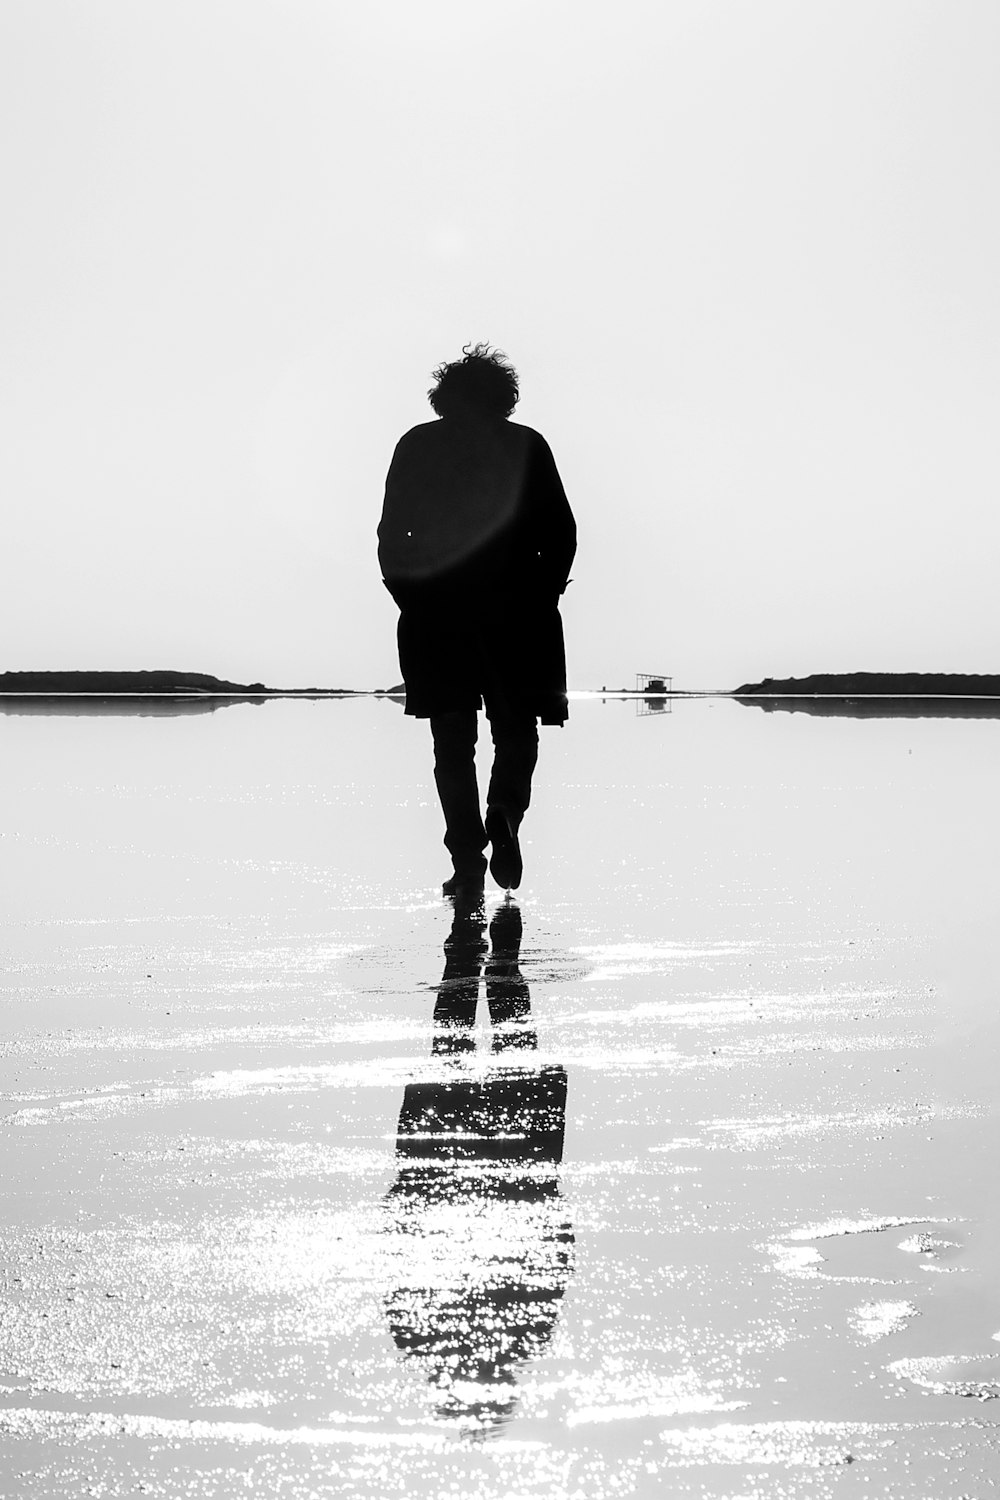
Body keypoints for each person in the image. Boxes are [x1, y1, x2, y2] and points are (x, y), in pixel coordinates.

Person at [378, 344, 576, 896]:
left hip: (438, 611)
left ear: (446, 397)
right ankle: (505, 812)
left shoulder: (418, 444)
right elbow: (560, 530)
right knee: (516, 732)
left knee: (452, 738)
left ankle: (467, 853)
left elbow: (394, 533)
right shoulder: (526, 445)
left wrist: (409, 595)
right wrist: (544, 594)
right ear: (502, 397)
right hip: (518, 614)